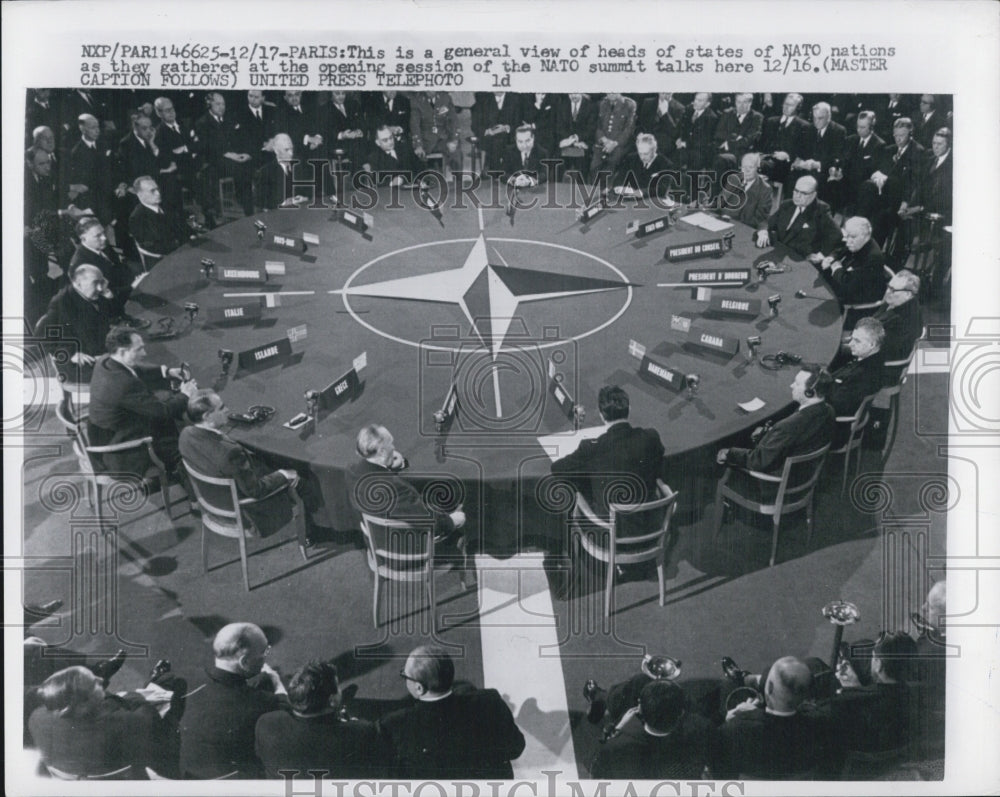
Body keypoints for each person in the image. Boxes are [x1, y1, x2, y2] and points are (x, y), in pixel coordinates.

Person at [378, 645, 525, 779]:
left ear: (419, 688)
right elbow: (516, 748)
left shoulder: (396, 725)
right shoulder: (490, 701)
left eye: (404, 675)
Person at [179, 389, 302, 539]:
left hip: (212, 503)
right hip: (248, 512)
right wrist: (283, 474)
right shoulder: (230, 453)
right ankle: (312, 535)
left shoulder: (185, 435)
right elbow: (256, 490)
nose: (228, 410)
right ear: (207, 416)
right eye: (221, 408)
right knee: (302, 476)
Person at [29, 663, 186, 778]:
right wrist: (137, 694)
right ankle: (159, 681)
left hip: (76, 779)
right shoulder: (128, 722)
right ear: (83, 704)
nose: (100, 680)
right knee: (168, 719)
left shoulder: (36, 718)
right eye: (94, 684)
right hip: (130, 781)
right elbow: (147, 711)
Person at [179, 622, 289, 779]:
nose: (265, 658)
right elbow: (286, 712)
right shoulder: (264, 703)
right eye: (264, 653)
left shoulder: (186, 681)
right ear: (244, 662)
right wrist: (276, 681)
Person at [87, 326, 196, 479]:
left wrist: (166, 371)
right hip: (122, 450)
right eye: (139, 350)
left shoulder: (106, 360)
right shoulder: (123, 384)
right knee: (183, 448)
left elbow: (134, 370)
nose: (144, 353)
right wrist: (185, 395)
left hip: (106, 432)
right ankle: (193, 490)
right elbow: (162, 411)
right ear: (123, 352)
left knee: (168, 413)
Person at [255, 659, 382, 779]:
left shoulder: (267, 724)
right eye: (338, 687)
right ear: (332, 700)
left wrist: (276, 682)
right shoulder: (361, 732)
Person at [550, 385, 665, 518]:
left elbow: (557, 469)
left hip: (609, 531)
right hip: (652, 522)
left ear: (601, 415)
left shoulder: (591, 448)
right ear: (629, 409)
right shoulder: (651, 436)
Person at [710, 656, 829, 779]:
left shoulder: (732, 730)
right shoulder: (820, 727)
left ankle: (738, 679)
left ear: (769, 688)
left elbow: (718, 774)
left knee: (728, 686)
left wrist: (730, 719)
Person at [345, 424, 466, 541]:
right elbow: (429, 522)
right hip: (403, 546)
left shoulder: (352, 471)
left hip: (376, 538)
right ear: (381, 451)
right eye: (391, 443)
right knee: (456, 522)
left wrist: (395, 464)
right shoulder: (396, 489)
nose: (393, 447)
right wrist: (452, 521)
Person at [716, 364, 835, 474]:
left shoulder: (788, 426)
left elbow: (757, 462)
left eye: (797, 384)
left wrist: (729, 453)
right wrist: (770, 433)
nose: (791, 385)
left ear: (809, 393)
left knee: (722, 452)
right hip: (806, 471)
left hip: (775, 482)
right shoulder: (829, 410)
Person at [590, 680, 714, 780]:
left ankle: (600, 697)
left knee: (639, 680)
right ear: (680, 713)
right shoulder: (700, 735)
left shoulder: (617, 747)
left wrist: (617, 729)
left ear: (640, 709)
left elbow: (596, 770)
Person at [68, 215, 145, 327]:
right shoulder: (80, 264)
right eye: (98, 236)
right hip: (114, 312)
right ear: (83, 238)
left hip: (127, 292)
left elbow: (118, 269)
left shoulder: (102, 246)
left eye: (103, 233)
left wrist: (135, 281)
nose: (104, 238)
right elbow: (101, 297)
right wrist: (132, 287)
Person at [816, 216, 891, 329]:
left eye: (852, 237)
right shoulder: (858, 242)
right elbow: (841, 249)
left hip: (857, 301)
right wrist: (832, 258)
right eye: (846, 236)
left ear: (866, 236)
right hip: (848, 282)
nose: (847, 240)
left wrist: (836, 267)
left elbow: (848, 285)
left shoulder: (873, 258)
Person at [194, 92, 254, 227]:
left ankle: (248, 210)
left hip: (231, 160)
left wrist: (244, 154)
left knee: (247, 166)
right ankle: (212, 215)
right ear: (209, 105)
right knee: (236, 170)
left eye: (223, 104)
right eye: (218, 104)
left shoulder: (229, 119)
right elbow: (207, 147)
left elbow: (238, 140)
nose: (222, 107)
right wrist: (228, 154)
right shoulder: (202, 123)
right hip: (213, 162)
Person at [757, 175, 840, 259]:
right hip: (778, 252)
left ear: (814, 195)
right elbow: (768, 221)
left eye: (803, 193)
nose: (797, 196)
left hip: (801, 258)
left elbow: (837, 235)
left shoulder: (821, 210)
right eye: (796, 191)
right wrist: (763, 231)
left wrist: (821, 254)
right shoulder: (787, 204)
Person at [791, 101, 847, 205]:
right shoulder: (808, 128)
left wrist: (817, 165)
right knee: (792, 175)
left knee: (823, 184)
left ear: (829, 117)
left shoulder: (839, 131)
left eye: (820, 118)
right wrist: (799, 161)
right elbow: (800, 151)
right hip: (806, 168)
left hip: (825, 171)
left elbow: (837, 157)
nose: (817, 121)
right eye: (814, 118)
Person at [828, 317, 885, 417]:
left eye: (857, 341)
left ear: (872, 344)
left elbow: (837, 406)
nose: (850, 344)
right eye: (851, 339)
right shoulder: (872, 359)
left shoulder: (864, 375)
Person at [128, 175, 193, 259]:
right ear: (140, 194)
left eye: (157, 189)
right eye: (152, 191)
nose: (158, 193)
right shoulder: (137, 218)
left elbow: (183, 226)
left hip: (186, 249)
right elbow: (153, 247)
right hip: (166, 259)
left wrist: (191, 235)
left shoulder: (166, 205)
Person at [758, 93, 811, 189]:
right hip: (766, 159)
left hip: (786, 164)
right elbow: (761, 143)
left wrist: (788, 156)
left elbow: (804, 150)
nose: (786, 107)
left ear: (798, 107)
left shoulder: (804, 126)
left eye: (791, 105)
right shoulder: (771, 121)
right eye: (785, 104)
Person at [409, 91, 462, 176]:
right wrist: (418, 145)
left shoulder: (445, 98)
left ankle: (459, 183)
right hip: (426, 142)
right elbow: (414, 125)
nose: (431, 90)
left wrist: (454, 140)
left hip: (443, 140)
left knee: (456, 152)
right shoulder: (416, 100)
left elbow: (454, 121)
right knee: (420, 164)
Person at [589, 92, 638, 184]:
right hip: (602, 143)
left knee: (612, 165)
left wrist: (614, 143)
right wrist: (603, 139)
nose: (611, 93)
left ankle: (608, 193)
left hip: (619, 145)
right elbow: (597, 126)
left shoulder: (629, 105)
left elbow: (629, 129)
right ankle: (594, 193)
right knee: (594, 166)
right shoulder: (602, 104)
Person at [255, 133, 311, 209]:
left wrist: (305, 198)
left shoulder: (299, 165)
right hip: (278, 214)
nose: (291, 153)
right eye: (286, 150)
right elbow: (259, 201)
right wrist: (283, 203)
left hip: (301, 210)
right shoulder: (266, 171)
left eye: (292, 149)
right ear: (276, 151)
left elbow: (310, 190)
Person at [472, 91, 523, 173]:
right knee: (496, 142)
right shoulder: (483, 100)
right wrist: (487, 131)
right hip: (488, 138)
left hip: (509, 136)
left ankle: (497, 171)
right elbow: (475, 125)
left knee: (501, 142)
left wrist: (507, 128)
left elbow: (518, 123)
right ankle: (497, 173)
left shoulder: (515, 99)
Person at [611, 133, 673, 200]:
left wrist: (639, 192)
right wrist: (619, 187)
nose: (642, 157)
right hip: (630, 200)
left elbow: (661, 190)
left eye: (646, 154)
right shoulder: (631, 158)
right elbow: (619, 178)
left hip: (652, 201)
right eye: (640, 153)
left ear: (654, 150)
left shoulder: (665, 164)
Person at [720, 152, 772, 230]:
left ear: (757, 168)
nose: (746, 171)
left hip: (744, 228)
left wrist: (733, 221)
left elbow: (760, 219)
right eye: (744, 167)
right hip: (723, 223)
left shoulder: (765, 189)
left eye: (750, 167)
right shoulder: (733, 179)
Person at [553, 92, 597, 179]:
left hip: (583, 143)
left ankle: (581, 188)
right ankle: (558, 187)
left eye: (576, 93)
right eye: (571, 93)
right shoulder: (562, 105)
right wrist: (572, 141)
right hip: (566, 142)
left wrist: (576, 138)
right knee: (557, 162)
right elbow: (559, 127)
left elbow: (590, 129)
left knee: (582, 165)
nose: (574, 96)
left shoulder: (591, 106)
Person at [636, 92, 685, 161]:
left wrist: (665, 114)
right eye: (662, 93)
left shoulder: (679, 108)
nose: (665, 96)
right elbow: (640, 123)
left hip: (664, 144)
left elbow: (675, 133)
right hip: (646, 138)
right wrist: (640, 133)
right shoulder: (648, 102)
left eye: (668, 93)